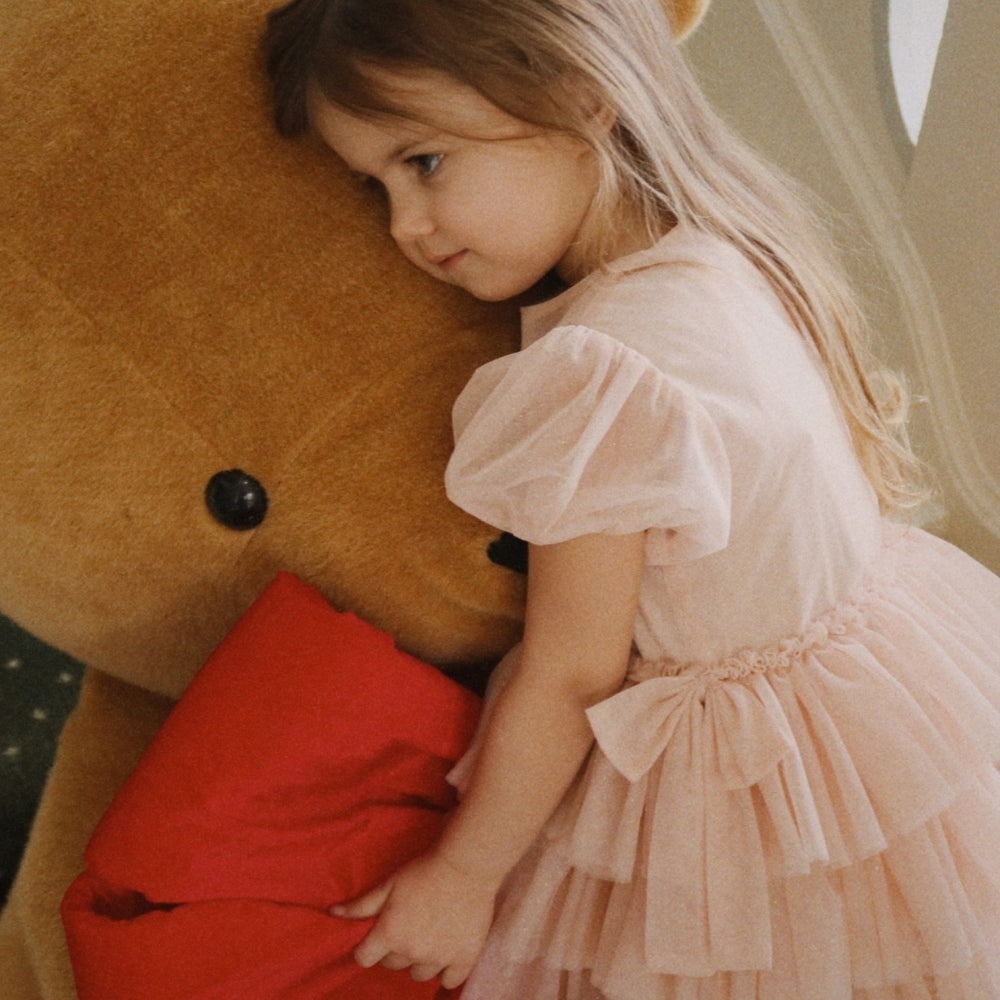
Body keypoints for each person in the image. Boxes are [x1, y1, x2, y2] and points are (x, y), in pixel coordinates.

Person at [262, 1, 1000, 997]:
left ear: (582, 96)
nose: (404, 225)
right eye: (374, 185)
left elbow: (572, 674)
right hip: (882, 706)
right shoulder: (725, 254)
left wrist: (463, 877)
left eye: (425, 162)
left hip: (746, 782)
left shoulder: (597, 372)